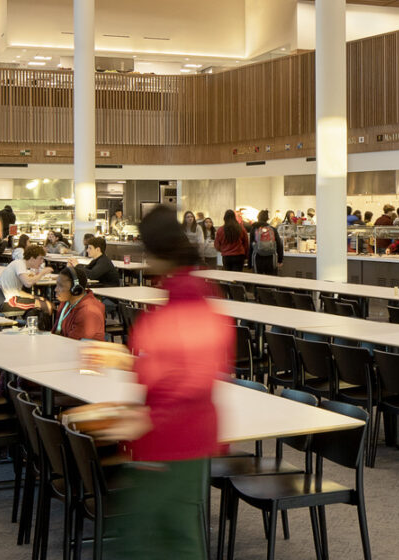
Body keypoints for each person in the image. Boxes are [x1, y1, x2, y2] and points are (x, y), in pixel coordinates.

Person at [106, 205, 233, 560]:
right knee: (162, 536)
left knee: (164, 539)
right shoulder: (182, 292)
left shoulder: (187, 298)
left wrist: (148, 417)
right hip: (170, 436)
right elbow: (174, 362)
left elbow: (194, 374)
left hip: (177, 437)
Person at [52, 267, 106, 341]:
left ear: (75, 289)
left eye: (61, 286)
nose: (55, 289)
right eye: (57, 285)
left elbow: (73, 344)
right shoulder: (66, 303)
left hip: (80, 350)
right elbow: (56, 333)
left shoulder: (89, 312)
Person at [0, 244, 49, 309]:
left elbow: (19, 291)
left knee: (43, 301)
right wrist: (42, 273)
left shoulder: (21, 265)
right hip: (9, 301)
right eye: (40, 259)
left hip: (11, 297)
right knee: (46, 305)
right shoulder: (20, 264)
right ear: (32, 259)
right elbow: (28, 283)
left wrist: (35, 297)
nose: (42, 262)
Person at [250, 210, 281, 275]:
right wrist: (280, 260)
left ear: (258, 217)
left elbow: (250, 246)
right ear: (267, 219)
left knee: (258, 279)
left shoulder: (254, 229)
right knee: (271, 279)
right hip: (271, 258)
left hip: (257, 257)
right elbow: (279, 244)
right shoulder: (272, 229)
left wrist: (250, 262)